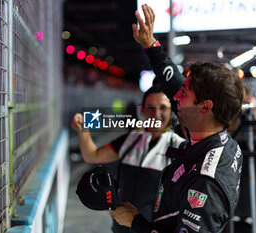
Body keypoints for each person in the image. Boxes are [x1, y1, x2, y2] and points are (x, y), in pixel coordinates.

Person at [110, 4, 244, 233]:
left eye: (185, 92)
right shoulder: (212, 132)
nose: (176, 96)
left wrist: (135, 221)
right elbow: (173, 83)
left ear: (205, 107)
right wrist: (150, 45)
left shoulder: (206, 182)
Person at [71, 83, 186, 233]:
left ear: (172, 112)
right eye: (150, 107)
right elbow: (92, 155)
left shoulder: (180, 148)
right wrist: (82, 130)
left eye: (163, 108)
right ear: (143, 110)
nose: (156, 114)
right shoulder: (131, 139)